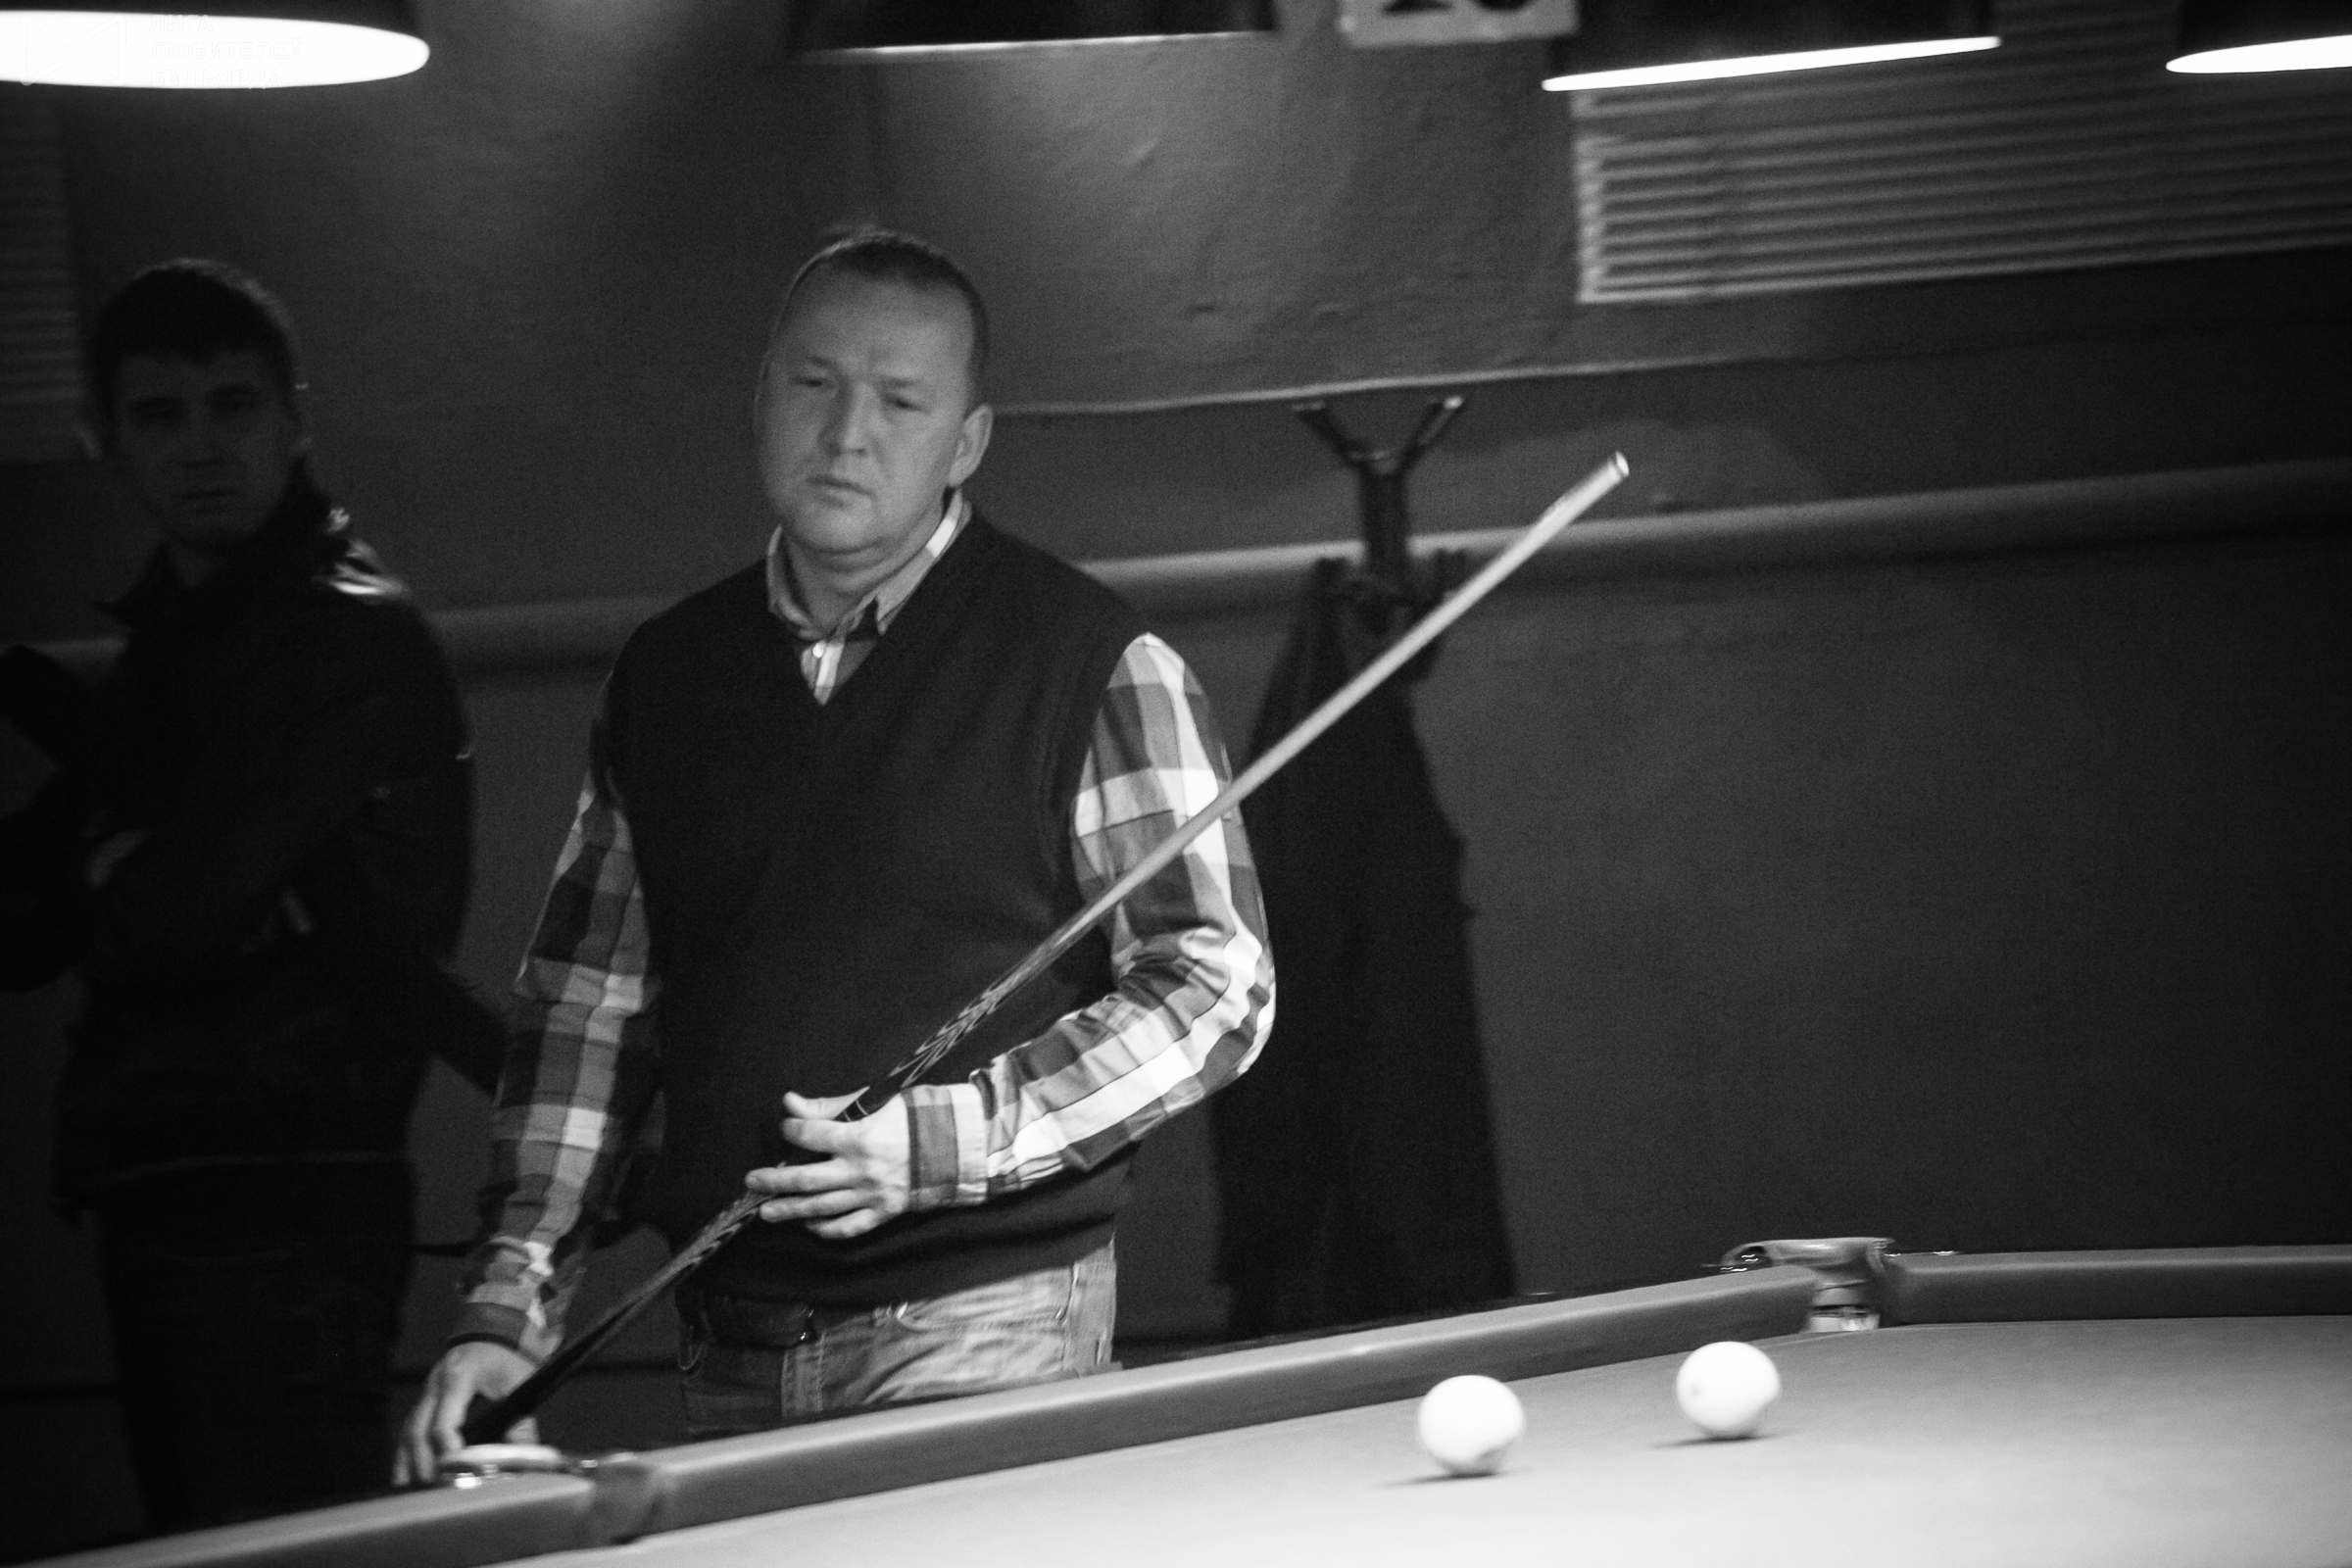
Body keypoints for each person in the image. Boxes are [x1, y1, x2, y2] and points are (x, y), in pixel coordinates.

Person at [398, 229, 1275, 1478]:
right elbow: (587, 1012)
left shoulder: (1090, 661)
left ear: (965, 441)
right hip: (726, 1328)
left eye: (901, 401)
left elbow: (1215, 982)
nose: (847, 433)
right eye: (815, 385)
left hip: (986, 1319)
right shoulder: (669, 677)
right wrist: (508, 1310)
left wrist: (951, 1141)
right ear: (761, 398)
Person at [0, 261, 504, 1531]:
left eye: (232, 405)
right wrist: (108, 870)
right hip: (183, 1175)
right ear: (105, 439)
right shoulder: (181, 642)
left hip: (284, 1189)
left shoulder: (337, 632)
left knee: (273, 1550)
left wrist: (113, 875)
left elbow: (162, 924)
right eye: (161, 414)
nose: (202, 445)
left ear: (294, 419)